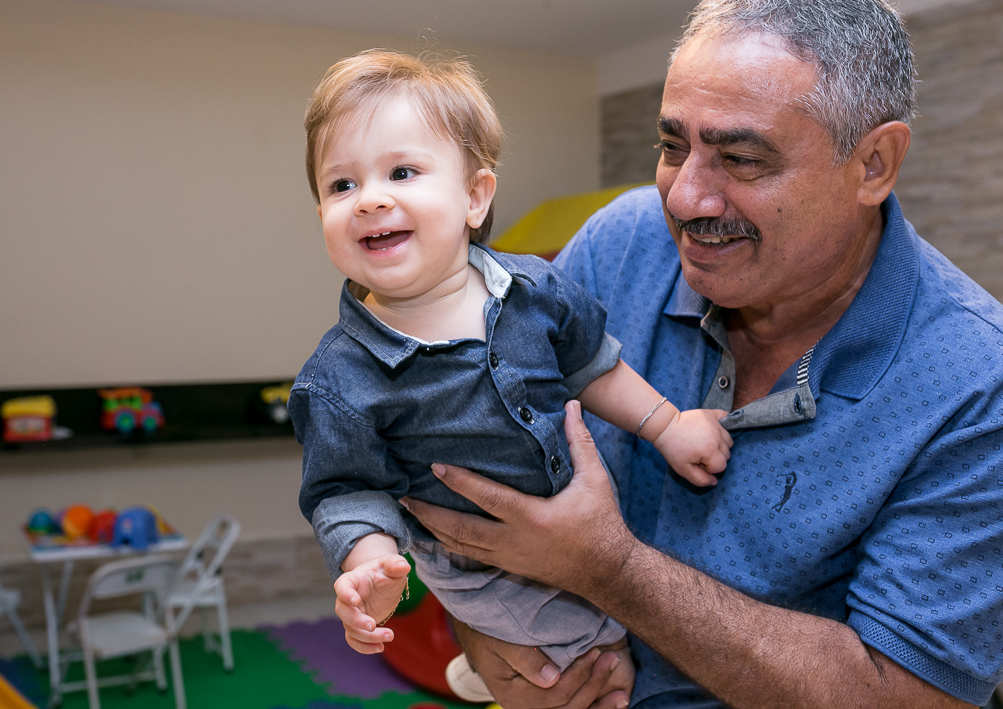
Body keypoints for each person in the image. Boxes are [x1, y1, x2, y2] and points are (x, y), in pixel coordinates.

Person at [403, 0, 1003, 709]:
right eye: (672, 146)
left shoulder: (981, 385)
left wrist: (609, 568)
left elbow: (911, 695)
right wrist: (496, 647)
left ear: (873, 164)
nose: (685, 198)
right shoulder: (622, 245)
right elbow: (471, 463)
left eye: (742, 158)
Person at [290, 49, 733, 701]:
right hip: (481, 572)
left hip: (588, 532)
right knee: (568, 684)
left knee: (619, 654)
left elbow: (593, 366)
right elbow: (347, 492)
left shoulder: (535, 289)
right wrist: (368, 568)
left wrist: (668, 426)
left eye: (403, 171)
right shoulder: (341, 379)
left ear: (474, 196)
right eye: (341, 186)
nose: (370, 200)